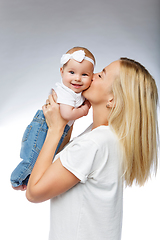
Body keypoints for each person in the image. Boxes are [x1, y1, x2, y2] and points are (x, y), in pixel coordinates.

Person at [26, 58, 159, 240]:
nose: (92, 76)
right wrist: (67, 121)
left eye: (101, 75)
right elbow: (56, 167)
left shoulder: (94, 144)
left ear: (112, 99)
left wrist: (55, 129)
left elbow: (34, 193)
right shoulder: (107, 136)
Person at [10, 46, 95, 190]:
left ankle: (29, 180)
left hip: (54, 128)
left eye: (84, 75)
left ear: (92, 76)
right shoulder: (67, 92)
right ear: (62, 72)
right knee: (33, 158)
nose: (77, 78)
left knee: (45, 158)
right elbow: (67, 114)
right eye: (72, 72)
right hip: (42, 127)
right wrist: (84, 110)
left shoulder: (75, 91)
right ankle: (16, 180)